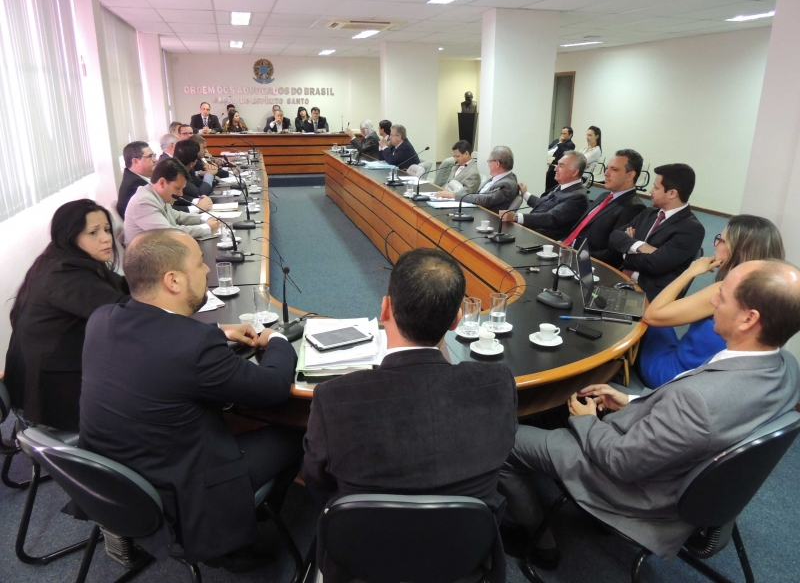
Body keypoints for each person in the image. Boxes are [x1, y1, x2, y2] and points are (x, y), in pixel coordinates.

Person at [498, 259, 800, 568]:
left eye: (722, 295)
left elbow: (621, 462)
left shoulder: (698, 401)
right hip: (668, 460)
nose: (711, 301)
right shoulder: (786, 366)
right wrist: (631, 400)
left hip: (633, 488)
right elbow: (696, 417)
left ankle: (541, 545)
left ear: (749, 319)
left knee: (501, 442)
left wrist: (586, 421)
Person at [79, 228, 302, 569]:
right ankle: (235, 537)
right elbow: (272, 388)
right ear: (173, 281)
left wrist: (216, 330)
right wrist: (277, 341)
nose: (208, 271)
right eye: (200, 265)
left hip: (116, 481)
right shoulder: (193, 346)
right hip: (181, 490)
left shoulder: (102, 319)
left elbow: (156, 341)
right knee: (296, 435)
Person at [302, 248, 518, 583]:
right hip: (461, 559)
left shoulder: (334, 397)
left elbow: (315, 479)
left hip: (361, 560)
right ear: (456, 320)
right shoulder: (497, 384)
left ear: (385, 308)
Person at [4, 200, 128, 431]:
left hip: (44, 382)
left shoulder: (63, 259)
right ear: (70, 236)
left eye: (107, 229)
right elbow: (125, 313)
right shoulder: (65, 273)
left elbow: (120, 288)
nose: (106, 238)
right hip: (51, 398)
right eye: (93, 232)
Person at [638, 215, 784, 388]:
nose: (715, 245)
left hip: (676, 377)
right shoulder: (774, 295)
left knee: (644, 320)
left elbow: (652, 315)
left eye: (721, 241)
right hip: (708, 378)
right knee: (665, 325)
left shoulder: (724, 291)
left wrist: (690, 272)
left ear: (737, 250)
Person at [608, 163, 705, 300]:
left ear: (672, 193)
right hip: (623, 279)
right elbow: (615, 236)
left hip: (649, 295)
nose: (651, 191)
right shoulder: (649, 213)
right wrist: (640, 246)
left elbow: (655, 264)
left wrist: (627, 250)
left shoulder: (691, 229)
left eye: (656, 187)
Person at [561, 149, 646, 267]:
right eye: (607, 168)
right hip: (567, 251)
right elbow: (581, 228)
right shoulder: (604, 196)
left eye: (614, 169)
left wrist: (578, 256)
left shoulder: (634, 207)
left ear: (630, 175)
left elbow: (615, 253)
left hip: (587, 264)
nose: (606, 173)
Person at [124, 158, 220, 243]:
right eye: (177, 188)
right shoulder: (143, 202)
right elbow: (169, 233)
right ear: (162, 182)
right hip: (146, 260)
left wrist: (203, 219)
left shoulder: (157, 195)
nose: (181, 194)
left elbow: (176, 216)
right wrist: (206, 228)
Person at [501, 150, 588, 240]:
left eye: (561, 166)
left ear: (574, 172)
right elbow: (545, 204)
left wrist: (516, 217)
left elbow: (551, 218)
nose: (555, 169)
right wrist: (525, 194)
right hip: (532, 232)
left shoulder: (578, 197)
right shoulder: (563, 186)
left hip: (544, 241)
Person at [434, 146, 519, 213]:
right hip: (475, 210)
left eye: (489, 161)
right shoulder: (501, 177)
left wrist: (454, 195)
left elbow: (484, 199)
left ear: (497, 164)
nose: (488, 164)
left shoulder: (507, 184)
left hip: (486, 219)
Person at [116, 141, 157, 219]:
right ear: (136, 161)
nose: (155, 160)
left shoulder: (137, 178)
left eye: (154, 155)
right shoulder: (135, 186)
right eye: (150, 156)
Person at [172, 140, 214, 213]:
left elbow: (199, 184)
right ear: (192, 163)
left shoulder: (189, 169)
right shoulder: (176, 172)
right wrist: (210, 174)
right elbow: (200, 193)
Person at [545, 126, 575, 192]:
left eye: (565, 134)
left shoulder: (570, 144)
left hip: (558, 165)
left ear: (570, 135)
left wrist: (560, 143)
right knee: (546, 180)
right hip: (550, 162)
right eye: (562, 133)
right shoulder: (556, 141)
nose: (562, 135)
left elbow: (563, 153)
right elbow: (548, 148)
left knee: (550, 183)